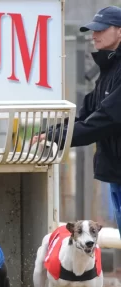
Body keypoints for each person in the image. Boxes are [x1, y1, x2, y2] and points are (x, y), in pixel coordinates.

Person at [33, 6, 121, 231]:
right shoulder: (108, 71)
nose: (94, 35)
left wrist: (56, 136)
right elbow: (86, 116)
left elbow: (104, 120)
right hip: (116, 173)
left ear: (119, 31)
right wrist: (49, 132)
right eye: (93, 30)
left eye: (101, 29)